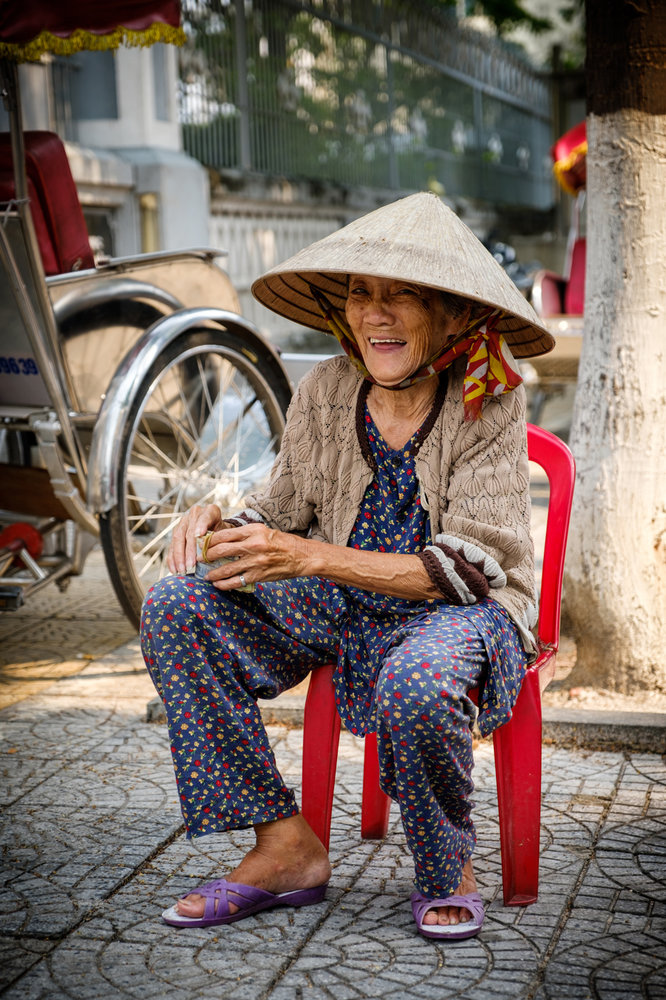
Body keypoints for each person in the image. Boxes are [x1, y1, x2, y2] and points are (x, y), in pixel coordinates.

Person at [140, 192, 554, 940]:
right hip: (339, 607)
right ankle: (285, 846)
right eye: (363, 292)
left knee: (417, 679)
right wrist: (221, 525)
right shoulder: (328, 389)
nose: (376, 313)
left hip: (458, 614)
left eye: (404, 295)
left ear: (455, 315)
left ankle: (446, 862)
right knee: (176, 606)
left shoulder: (488, 402)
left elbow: (468, 573)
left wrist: (308, 556)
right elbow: (282, 513)